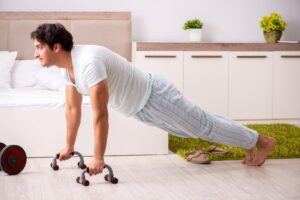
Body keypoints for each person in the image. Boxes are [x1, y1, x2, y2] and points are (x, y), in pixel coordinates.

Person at [30, 23, 276, 176]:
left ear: (57, 47)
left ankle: (260, 141)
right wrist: (69, 146)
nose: (36, 53)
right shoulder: (68, 69)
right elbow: (73, 110)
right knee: (198, 127)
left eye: (39, 47)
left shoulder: (88, 63)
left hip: (155, 97)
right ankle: (247, 139)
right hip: (140, 108)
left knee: (203, 125)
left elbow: (100, 114)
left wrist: (98, 158)